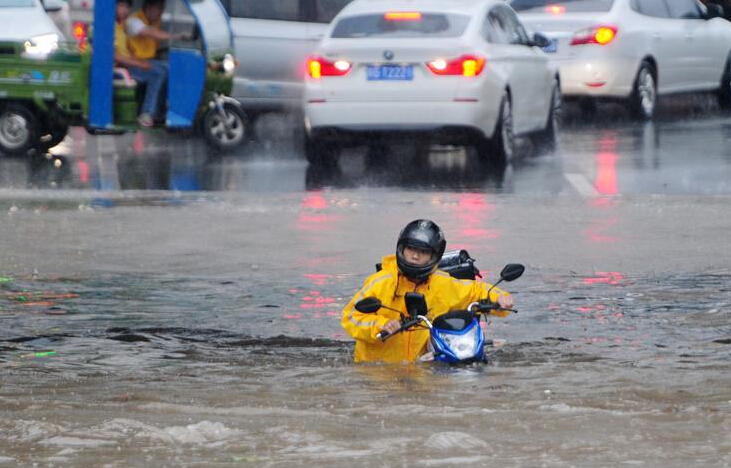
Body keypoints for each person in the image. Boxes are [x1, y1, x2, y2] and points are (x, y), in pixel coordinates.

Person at [341, 219, 514, 364]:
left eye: (423, 252)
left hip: (424, 366)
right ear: (401, 249)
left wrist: (498, 297)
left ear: (434, 256)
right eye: (411, 249)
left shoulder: (443, 283)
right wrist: (382, 325)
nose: (415, 256)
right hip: (376, 370)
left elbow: (475, 290)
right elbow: (351, 316)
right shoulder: (381, 282)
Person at [113, 0, 167, 127]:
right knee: (157, 73)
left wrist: (137, 60)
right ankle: (147, 113)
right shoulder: (110, 27)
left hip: (127, 65)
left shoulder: (121, 26)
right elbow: (116, 56)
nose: (124, 10)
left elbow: (126, 50)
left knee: (166, 68)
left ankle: (159, 111)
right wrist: (139, 64)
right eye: (121, 6)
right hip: (119, 69)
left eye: (127, 7)